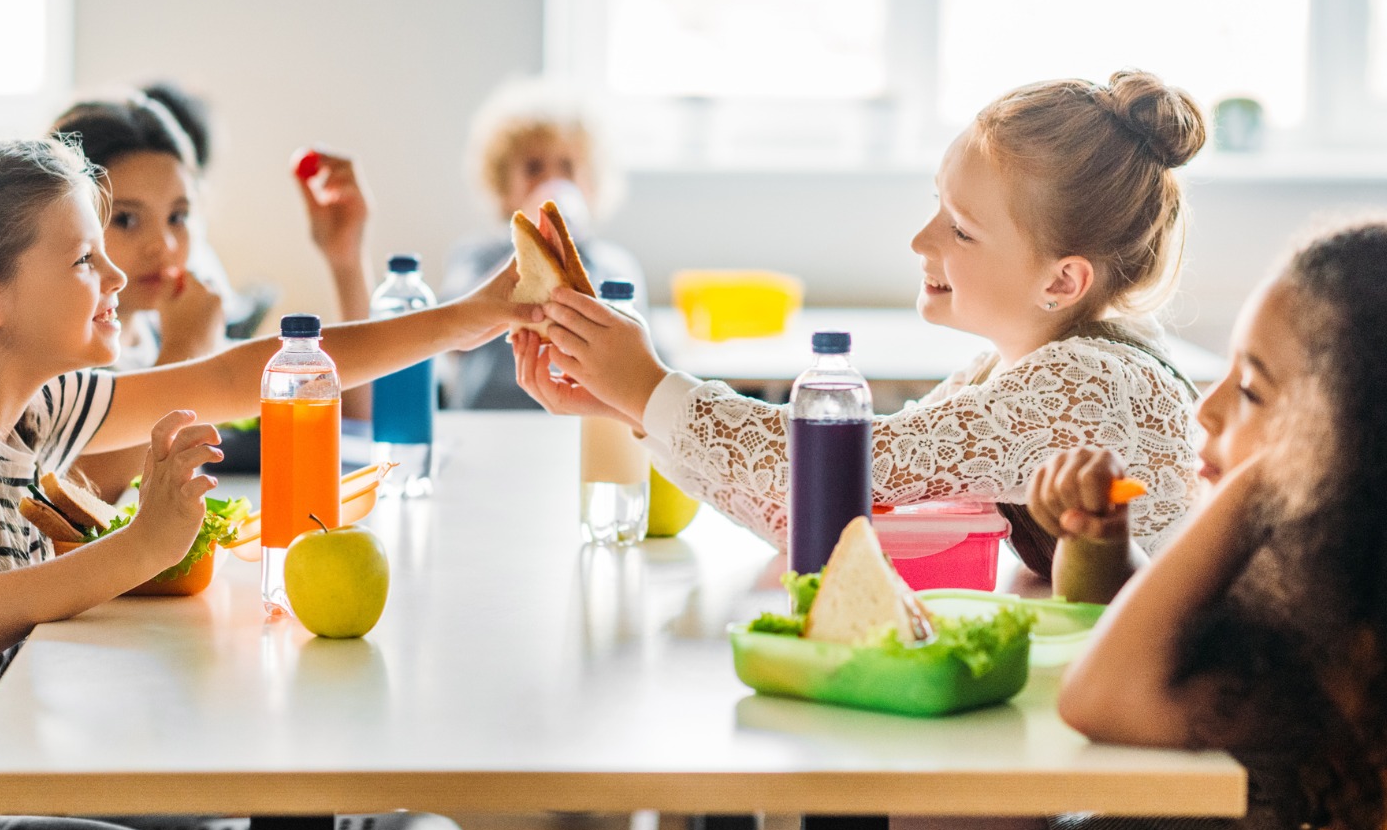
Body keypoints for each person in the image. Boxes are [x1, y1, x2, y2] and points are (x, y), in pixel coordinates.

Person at [0, 137, 528, 830]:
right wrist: (140, 546)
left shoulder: (32, 408)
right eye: (81, 260)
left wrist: (467, 321)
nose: (112, 279)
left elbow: (242, 375)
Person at [893, 220, 1387, 830]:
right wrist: (1098, 546)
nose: (1206, 410)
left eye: (1250, 391)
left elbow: (1104, 697)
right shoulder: (1306, 569)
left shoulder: (1348, 635)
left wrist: (1261, 477)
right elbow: (1151, 649)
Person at [515, 70, 1206, 573]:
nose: (921, 242)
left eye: (961, 231)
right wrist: (631, 403)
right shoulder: (1004, 370)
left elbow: (850, 467)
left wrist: (647, 388)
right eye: (937, 205)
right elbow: (827, 515)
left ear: (1062, 280)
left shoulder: (1085, 386)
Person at [50, 92, 375, 495]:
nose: (164, 244)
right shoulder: (56, 355)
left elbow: (347, 422)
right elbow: (77, 503)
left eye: (178, 216)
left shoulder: (157, 328)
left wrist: (346, 260)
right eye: (127, 219)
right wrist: (186, 349)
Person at [443, 76, 645, 409]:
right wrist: (532, 251)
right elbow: (452, 329)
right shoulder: (477, 256)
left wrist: (571, 256)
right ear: (503, 188)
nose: (552, 181)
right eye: (534, 167)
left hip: (579, 423)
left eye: (567, 167)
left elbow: (639, 358)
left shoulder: (614, 265)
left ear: (591, 184)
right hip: (488, 418)